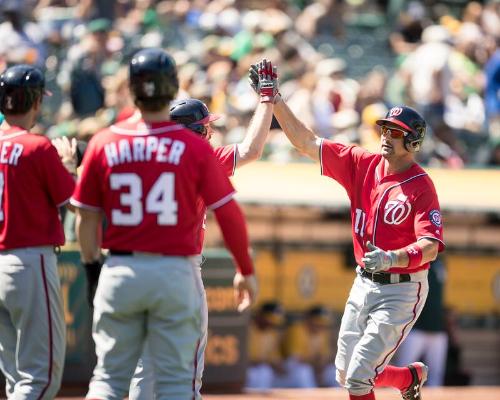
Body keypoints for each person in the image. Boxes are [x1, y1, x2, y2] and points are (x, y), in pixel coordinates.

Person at [71, 47, 258, 400]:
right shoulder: (194, 148)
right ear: (172, 88)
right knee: (176, 382)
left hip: (121, 267)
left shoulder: (104, 142)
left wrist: (93, 268)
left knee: (110, 379)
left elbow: (85, 216)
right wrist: (245, 268)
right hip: (175, 270)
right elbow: (229, 213)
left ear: (132, 88)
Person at [250, 64, 445, 400]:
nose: (386, 136)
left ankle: (403, 378)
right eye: (385, 129)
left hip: (402, 288)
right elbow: (307, 143)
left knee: (357, 379)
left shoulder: (420, 185)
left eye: (396, 133)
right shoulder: (361, 163)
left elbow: (430, 245)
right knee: (345, 371)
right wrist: (276, 99)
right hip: (364, 280)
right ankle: (407, 377)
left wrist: (392, 257)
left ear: (413, 141)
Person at [129, 59, 276, 400]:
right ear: (196, 132)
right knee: (185, 369)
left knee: (143, 367)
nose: (211, 133)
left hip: (132, 266)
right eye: (206, 128)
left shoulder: (137, 150)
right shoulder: (200, 157)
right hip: (179, 268)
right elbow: (252, 150)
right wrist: (267, 99)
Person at [0, 64, 76, 399]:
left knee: (16, 378)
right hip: (27, 261)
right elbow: (74, 201)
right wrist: (70, 166)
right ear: (35, 102)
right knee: (40, 379)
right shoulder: (37, 146)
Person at [394, 256, 448, 386]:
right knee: (403, 370)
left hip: (437, 328)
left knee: (436, 375)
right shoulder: (414, 260)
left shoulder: (441, 262)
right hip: (416, 327)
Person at [281, 305, 337, 388]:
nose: (320, 325)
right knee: (304, 370)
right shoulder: (297, 329)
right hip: (290, 368)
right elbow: (296, 358)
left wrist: (320, 368)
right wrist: (316, 366)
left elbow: (323, 358)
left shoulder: (323, 333)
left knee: (334, 371)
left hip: (312, 365)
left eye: (322, 323)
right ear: (308, 319)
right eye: (317, 322)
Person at [246, 301, 287, 391]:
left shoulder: (272, 334)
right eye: (269, 319)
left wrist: (280, 368)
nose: (271, 323)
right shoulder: (247, 329)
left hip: (264, 372)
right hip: (247, 372)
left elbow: (276, 360)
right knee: (263, 371)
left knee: (266, 371)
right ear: (260, 316)